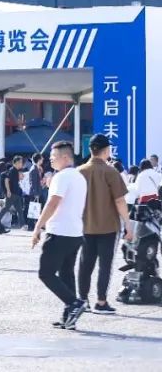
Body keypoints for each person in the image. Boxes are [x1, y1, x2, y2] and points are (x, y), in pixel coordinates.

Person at [31, 141, 89, 329]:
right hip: (75, 233)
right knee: (66, 273)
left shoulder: (61, 177)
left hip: (59, 232)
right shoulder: (79, 177)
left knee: (45, 273)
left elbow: (53, 203)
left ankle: (74, 303)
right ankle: (69, 318)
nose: (51, 160)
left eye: (53, 157)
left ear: (65, 157)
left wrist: (38, 226)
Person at [77, 134, 133, 314]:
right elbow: (120, 201)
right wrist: (128, 225)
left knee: (85, 264)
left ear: (90, 150)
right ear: (107, 150)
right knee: (105, 266)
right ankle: (101, 302)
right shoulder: (111, 172)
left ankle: (82, 300)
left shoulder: (79, 171)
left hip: (85, 226)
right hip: (108, 227)